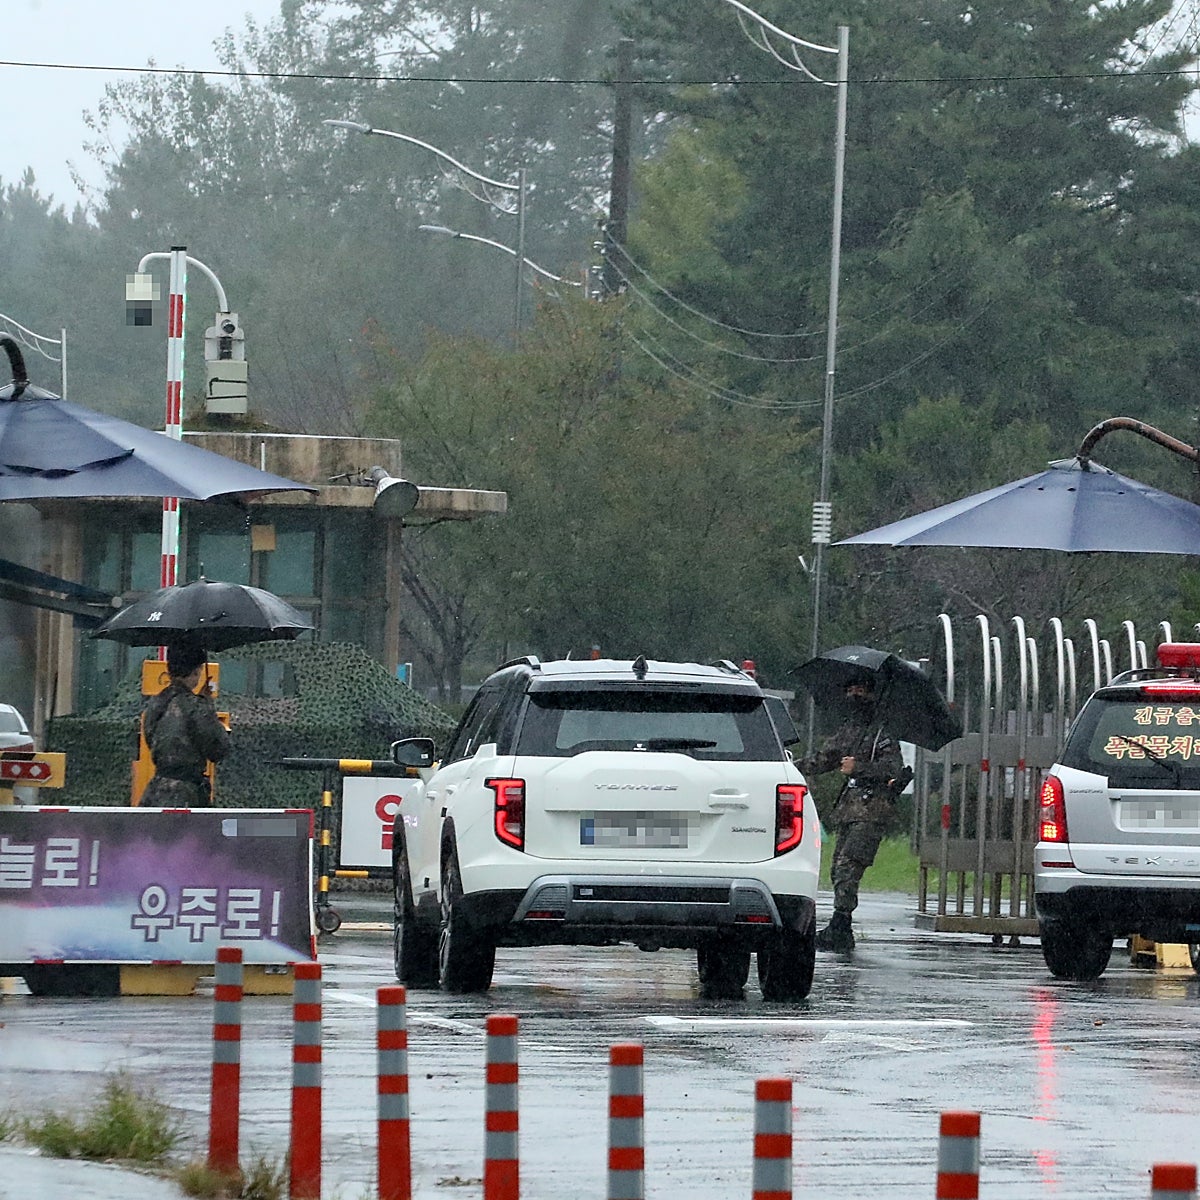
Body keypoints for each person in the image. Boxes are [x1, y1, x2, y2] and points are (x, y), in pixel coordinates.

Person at [798, 673, 908, 952]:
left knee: (848, 866)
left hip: (872, 811)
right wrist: (785, 767)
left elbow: (893, 769)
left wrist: (858, 768)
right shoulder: (849, 729)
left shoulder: (883, 733)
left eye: (861, 690)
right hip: (849, 810)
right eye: (851, 690)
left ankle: (841, 926)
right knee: (838, 867)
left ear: (872, 694)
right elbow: (823, 759)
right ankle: (840, 925)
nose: (855, 696)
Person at [140, 640, 230, 808]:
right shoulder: (196, 706)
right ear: (196, 671)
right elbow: (218, 749)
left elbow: (152, 738)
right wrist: (207, 705)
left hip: (155, 793)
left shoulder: (157, 702)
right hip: (186, 796)